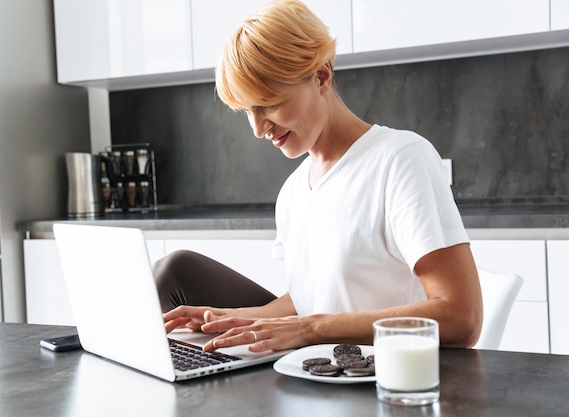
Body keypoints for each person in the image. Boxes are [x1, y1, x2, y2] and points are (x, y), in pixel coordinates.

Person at [154, 0, 483, 352]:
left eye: (269, 103)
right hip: (318, 373)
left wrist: (313, 329)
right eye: (249, 110)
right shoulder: (293, 191)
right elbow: (310, 300)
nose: (257, 128)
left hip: (388, 379)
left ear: (322, 77)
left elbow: (462, 317)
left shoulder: (399, 160)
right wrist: (244, 320)